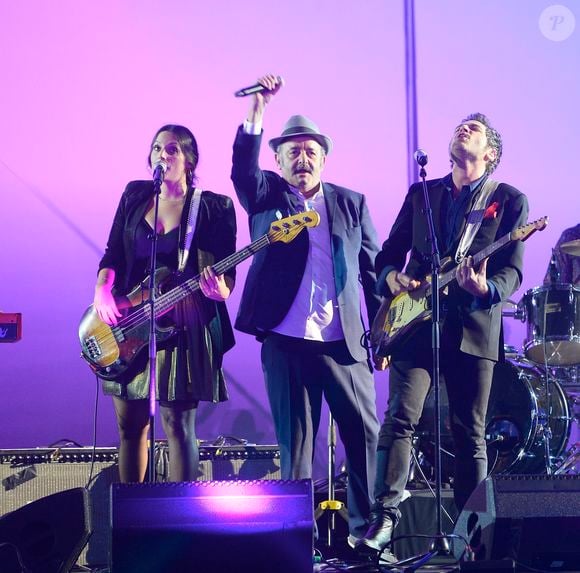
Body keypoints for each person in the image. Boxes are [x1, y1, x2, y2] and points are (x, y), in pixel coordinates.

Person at [357, 113, 529, 554]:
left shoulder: (508, 200)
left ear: (490, 154)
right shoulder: (423, 193)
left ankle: (470, 534)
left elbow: (511, 271)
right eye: (461, 126)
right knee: (400, 417)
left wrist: (484, 288)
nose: (464, 128)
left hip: (472, 327)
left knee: (469, 430)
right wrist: (392, 277)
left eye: (475, 129)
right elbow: (388, 255)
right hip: (415, 324)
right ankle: (386, 520)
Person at [231, 74, 387, 544]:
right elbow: (242, 170)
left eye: (310, 150)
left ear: (324, 157)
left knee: (364, 438)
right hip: (287, 340)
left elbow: (374, 271)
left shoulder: (351, 203)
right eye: (293, 151)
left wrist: (385, 335)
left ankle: (364, 538)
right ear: (279, 160)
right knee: (296, 449)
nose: (303, 158)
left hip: (346, 343)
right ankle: (295, 542)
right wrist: (258, 110)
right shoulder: (267, 197)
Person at [93, 124, 237, 483]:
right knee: (131, 424)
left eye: (172, 149)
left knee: (177, 423)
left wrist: (221, 290)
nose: (163, 155)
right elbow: (113, 252)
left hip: (182, 324)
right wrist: (102, 287)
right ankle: (130, 515)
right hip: (129, 321)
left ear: (189, 159)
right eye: (157, 148)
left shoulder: (214, 208)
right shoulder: (135, 195)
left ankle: (180, 516)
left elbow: (227, 275)